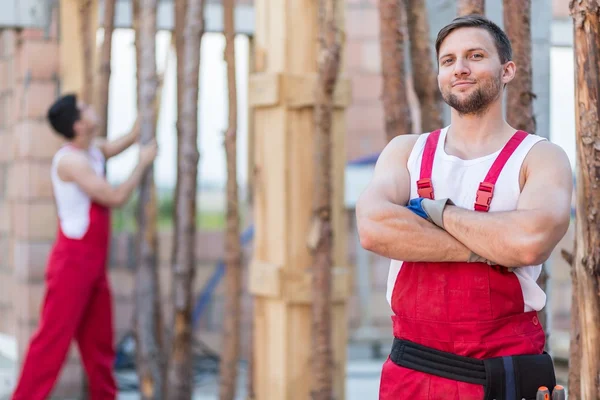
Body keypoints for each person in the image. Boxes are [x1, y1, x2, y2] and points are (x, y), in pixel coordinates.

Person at [356, 15, 573, 400]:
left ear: (506, 70)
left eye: (475, 55)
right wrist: (489, 248)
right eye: (448, 60)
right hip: (412, 373)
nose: (460, 68)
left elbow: (528, 243)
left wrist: (439, 213)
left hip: (503, 376)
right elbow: (373, 228)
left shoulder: (539, 157)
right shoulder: (406, 151)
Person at [11, 94, 158, 400]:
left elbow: (122, 141)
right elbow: (115, 198)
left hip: (93, 267)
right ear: (78, 125)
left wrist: (144, 117)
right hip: (71, 266)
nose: (91, 109)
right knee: (51, 343)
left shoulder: (92, 151)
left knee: (99, 346)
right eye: (85, 108)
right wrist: (142, 164)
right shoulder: (72, 162)